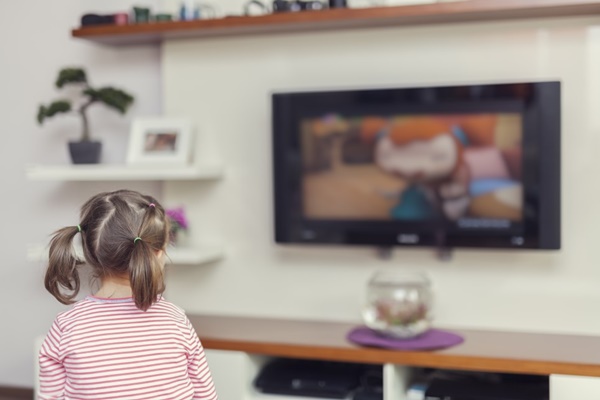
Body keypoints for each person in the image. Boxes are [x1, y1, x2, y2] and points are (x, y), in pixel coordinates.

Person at [38, 189, 218, 400]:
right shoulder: (176, 320)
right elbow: (206, 396)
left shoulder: (67, 326)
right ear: (158, 253)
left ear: (89, 253)